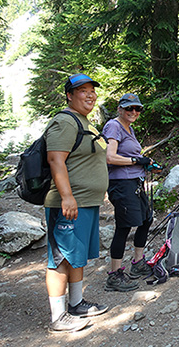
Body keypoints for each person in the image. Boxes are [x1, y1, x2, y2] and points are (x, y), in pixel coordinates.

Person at [44, 73, 109, 332]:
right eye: (82, 90)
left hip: (85, 202)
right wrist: (67, 196)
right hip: (68, 203)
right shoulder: (65, 121)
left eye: (92, 90)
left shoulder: (84, 122)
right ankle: (58, 317)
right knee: (60, 257)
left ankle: (76, 303)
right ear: (69, 95)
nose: (90, 94)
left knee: (76, 256)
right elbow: (55, 160)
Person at [103, 93, 158, 292]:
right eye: (129, 108)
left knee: (146, 220)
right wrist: (137, 161)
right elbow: (110, 157)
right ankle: (114, 275)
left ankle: (138, 262)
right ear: (120, 109)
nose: (134, 112)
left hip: (135, 181)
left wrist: (146, 163)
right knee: (124, 226)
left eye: (137, 109)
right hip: (121, 184)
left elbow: (130, 155)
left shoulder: (129, 128)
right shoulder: (114, 126)